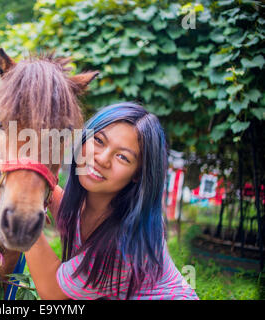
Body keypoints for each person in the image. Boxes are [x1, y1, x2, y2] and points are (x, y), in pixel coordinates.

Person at [25, 102, 198, 300]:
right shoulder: (91, 204)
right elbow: (59, 203)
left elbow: (55, 294)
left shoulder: (125, 241)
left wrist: (23, 218)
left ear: (137, 175)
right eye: (98, 140)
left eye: (123, 157)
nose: (102, 159)